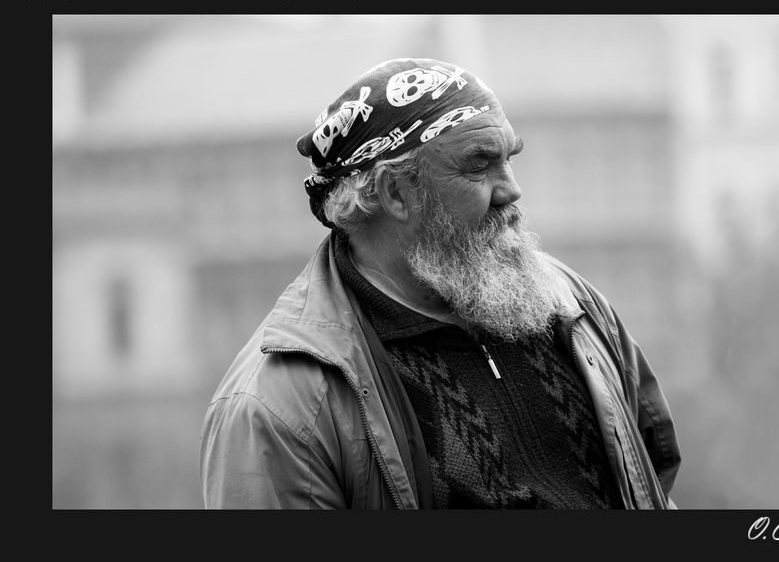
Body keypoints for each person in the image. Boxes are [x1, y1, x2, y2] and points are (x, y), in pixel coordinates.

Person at [199, 58, 681, 509]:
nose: (511, 189)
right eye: (478, 164)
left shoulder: (568, 303)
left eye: (509, 159)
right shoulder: (281, 405)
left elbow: (648, 475)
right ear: (395, 192)